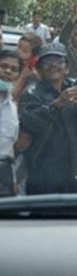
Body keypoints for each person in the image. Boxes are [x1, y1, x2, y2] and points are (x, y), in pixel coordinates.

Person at [19, 43, 77, 194]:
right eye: (47, 62)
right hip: (44, 170)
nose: (53, 65)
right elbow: (30, 123)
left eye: (58, 61)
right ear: (39, 69)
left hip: (76, 168)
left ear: (67, 68)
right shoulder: (32, 93)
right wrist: (56, 104)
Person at [0, 50, 20, 197]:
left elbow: (10, 148)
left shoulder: (12, 105)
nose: (7, 71)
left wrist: (12, 179)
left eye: (14, 69)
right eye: (3, 66)